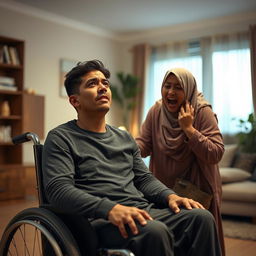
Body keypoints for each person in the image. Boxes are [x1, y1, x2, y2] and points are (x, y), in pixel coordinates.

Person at [42, 60, 222, 256]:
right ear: (75, 101)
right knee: (155, 231)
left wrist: (170, 196)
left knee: (201, 218)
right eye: (92, 84)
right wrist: (110, 209)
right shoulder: (61, 138)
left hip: (141, 210)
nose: (102, 87)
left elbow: (144, 179)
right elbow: (58, 190)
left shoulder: (123, 137)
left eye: (105, 83)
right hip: (97, 219)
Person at [135, 67, 225, 255]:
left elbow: (216, 153)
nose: (170, 92)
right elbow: (144, 143)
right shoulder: (156, 111)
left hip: (196, 191)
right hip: (163, 190)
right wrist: (125, 149)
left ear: (189, 90)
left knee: (198, 243)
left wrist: (189, 129)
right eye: (167, 86)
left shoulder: (201, 111)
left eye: (178, 87)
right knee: (169, 242)